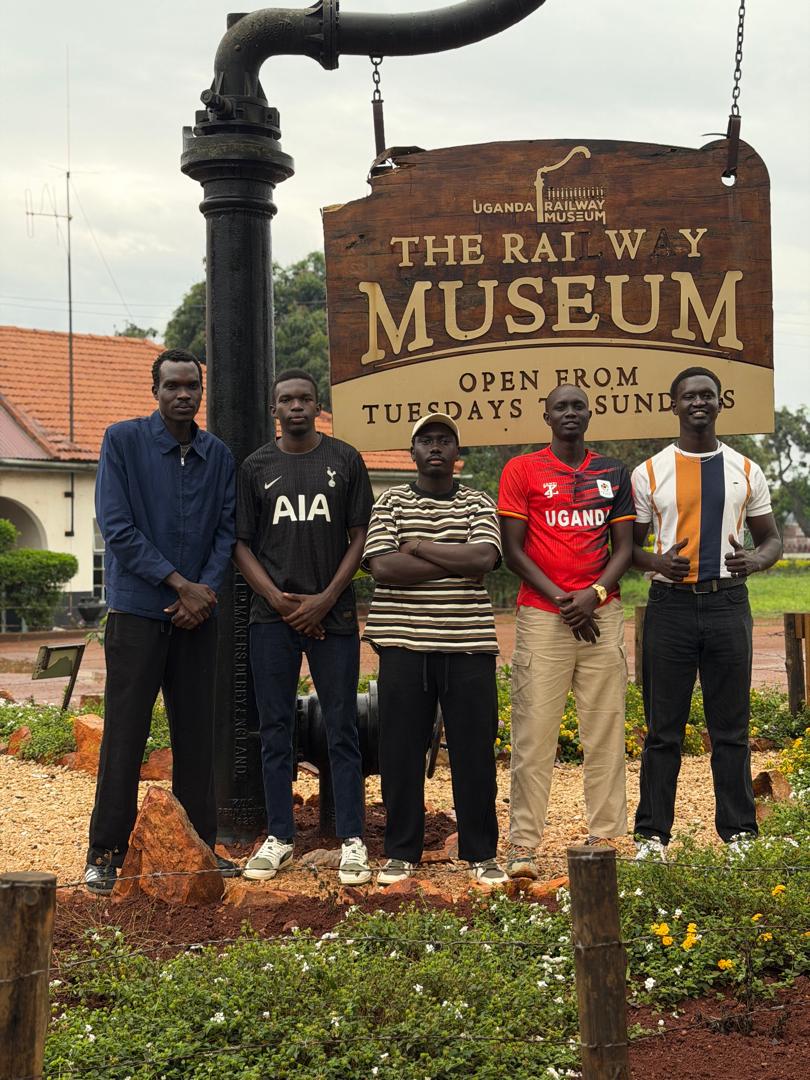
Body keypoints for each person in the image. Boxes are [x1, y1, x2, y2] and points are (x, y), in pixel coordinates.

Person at [85, 348, 237, 894]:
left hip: (198, 618)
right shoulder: (123, 442)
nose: (182, 394)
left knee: (197, 737)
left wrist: (203, 594)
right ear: (155, 391)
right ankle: (106, 853)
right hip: (137, 612)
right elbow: (117, 527)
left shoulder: (217, 454)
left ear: (201, 391)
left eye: (191, 386)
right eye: (172, 385)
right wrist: (179, 584)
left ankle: (199, 850)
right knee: (124, 735)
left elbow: (226, 531)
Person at [631, 367, 782, 856]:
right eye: (689, 396)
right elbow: (628, 549)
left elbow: (772, 539)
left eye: (707, 395)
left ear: (721, 403)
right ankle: (652, 836)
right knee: (663, 731)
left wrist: (755, 560)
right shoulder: (649, 472)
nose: (698, 402)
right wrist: (657, 562)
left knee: (731, 729)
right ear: (672, 404)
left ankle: (739, 833)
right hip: (669, 606)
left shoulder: (746, 469)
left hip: (728, 602)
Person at [233, 369, 373, 885]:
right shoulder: (255, 467)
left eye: (305, 399)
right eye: (286, 400)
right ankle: (280, 837)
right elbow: (239, 544)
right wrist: (276, 598)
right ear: (274, 408)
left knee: (342, 726)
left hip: (332, 614)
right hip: (272, 617)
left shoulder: (345, 459)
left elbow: (361, 535)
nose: (296, 406)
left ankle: (352, 838)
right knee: (275, 729)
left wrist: (326, 598)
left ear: (318, 406)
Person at [363, 413, 508, 886]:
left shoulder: (477, 502)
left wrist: (419, 545)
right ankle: (401, 852)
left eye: (444, 440)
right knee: (400, 752)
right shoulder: (390, 502)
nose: (436, 447)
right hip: (403, 644)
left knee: (474, 752)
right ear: (413, 453)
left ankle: (481, 852)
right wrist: (455, 561)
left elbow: (484, 557)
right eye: (426, 440)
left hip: (468, 645)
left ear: (457, 451)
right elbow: (384, 568)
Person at [497, 385, 635, 879]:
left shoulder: (612, 472)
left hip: (602, 613)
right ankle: (523, 846)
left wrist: (592, 595)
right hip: (543, 614)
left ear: (590, 414)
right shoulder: (522, 470)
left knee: (606, 728)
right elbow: (513, 551)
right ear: (547, 416)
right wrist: (564, 599)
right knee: (534, 733)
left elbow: (624, 548)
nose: (570, 413)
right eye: (561, 407)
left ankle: (607, 835)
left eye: (578, 406)